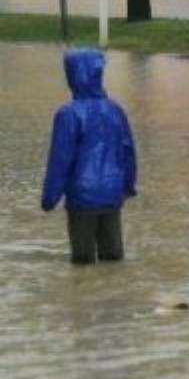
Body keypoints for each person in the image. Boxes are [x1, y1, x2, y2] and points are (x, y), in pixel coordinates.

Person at [40, 48, 138, 264]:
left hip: (81, 199)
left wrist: (49, 198)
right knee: (112, 261)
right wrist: (128, 186)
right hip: (112, 196)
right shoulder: (115, 110)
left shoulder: (68, 114)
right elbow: (128, 152)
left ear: (72, 75)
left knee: (82, 264)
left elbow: (60, 161)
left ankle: (84, 294)